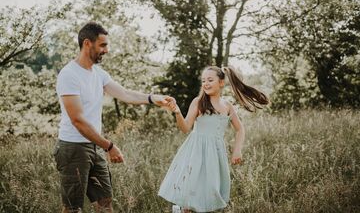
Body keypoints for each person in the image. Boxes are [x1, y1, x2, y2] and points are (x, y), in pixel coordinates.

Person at [54, 22, 172, 213]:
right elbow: (78, 121)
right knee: (72, 209)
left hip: (96, 147)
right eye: (102, 45)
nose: (106, 50)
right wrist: (108, 146)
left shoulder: (99, 74)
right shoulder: (69, 75)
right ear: (86, 43)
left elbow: (125, 94)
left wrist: (152, 98)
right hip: (73, 148)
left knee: (105, 203)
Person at [158, 65, 269, 212]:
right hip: (196, 151)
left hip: (215, 154)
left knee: (209, 188)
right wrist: (178, 113)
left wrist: (237, 151)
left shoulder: (227, 106)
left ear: (221, 83)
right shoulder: (198, 102)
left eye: (210, 80)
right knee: (192, 187)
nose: (206, 83)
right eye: (203, 80)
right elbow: (185, 128)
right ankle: (183, 209)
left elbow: (240, 129)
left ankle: (189, 209)